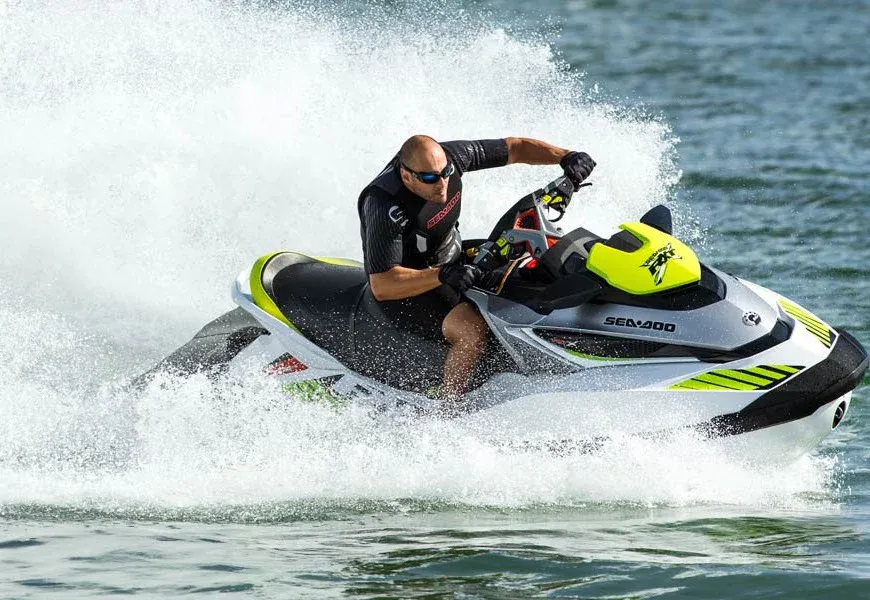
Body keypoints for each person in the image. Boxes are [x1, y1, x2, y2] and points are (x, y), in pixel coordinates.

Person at [357, 135, 595, 409]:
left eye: (446, 173)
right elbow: (383, 285)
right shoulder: (383, 204)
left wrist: (565, 156)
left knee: (526, 268)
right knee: (471, 330)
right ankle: (447, 411)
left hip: (450, 260)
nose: (443, 184)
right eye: (430, 179)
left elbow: (515, 148)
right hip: (409, 287)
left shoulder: (452, 157)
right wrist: (442, 275)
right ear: (406, 176)